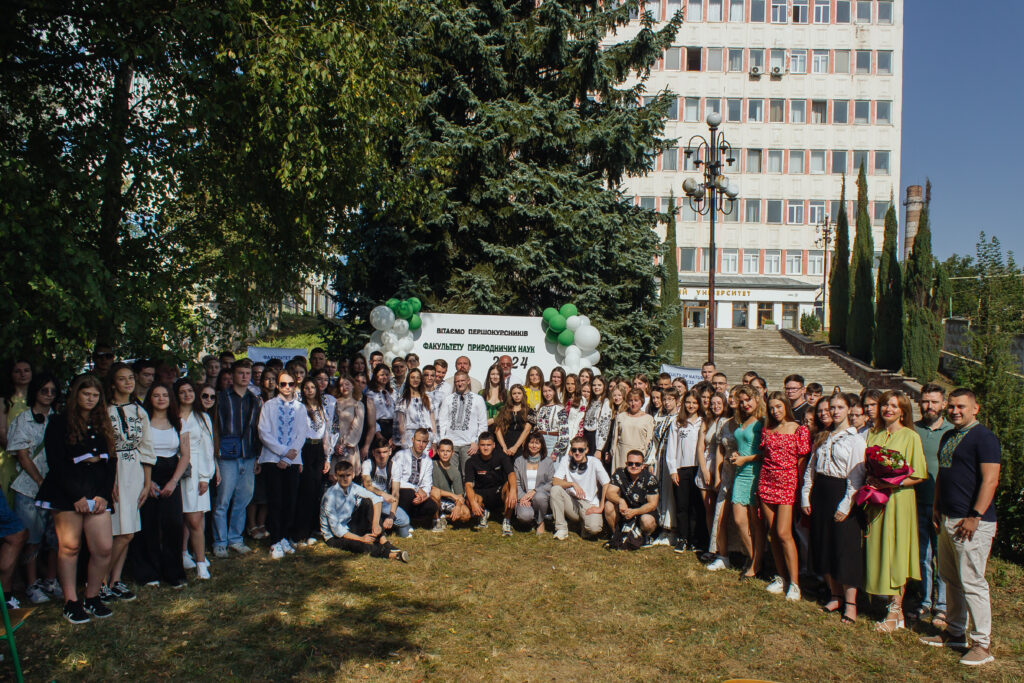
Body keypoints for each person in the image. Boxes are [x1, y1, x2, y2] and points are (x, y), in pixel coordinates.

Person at [920, 388, 1001, 666]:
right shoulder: (949, 436)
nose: (955, 411)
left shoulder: (984, 438)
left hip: (972, 522)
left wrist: (975, 515)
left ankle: (981, 644)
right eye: (952, 406)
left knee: (972, 582)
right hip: (948, 517)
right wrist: (937, 506)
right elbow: (943, 474)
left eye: (961, 407)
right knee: (951, 578)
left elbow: (990, 480)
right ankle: (955, 632)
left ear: (975, 408)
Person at [35, 375, 116, 622]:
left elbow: (111, 461)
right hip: (66, 491)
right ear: (76, 395)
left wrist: (103, 494)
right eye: (86, 394)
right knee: (70, 547)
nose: (90, 399)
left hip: (97, 490)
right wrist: (76, 496)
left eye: (95, 395)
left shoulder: (103, 423)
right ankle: (71, 602)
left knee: (103, 547)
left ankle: (92, 597)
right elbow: (56, 463)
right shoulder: (59, 422)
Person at [801, 392, 866, 625]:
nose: (835, 412)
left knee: (844, 547)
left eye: (840, 407)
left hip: (841, 492)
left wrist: (846, 504)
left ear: (849, 409)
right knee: (824, 543)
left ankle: (851, 603)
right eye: (832, 408)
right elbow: (811, 468)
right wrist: (805, 496)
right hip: (821, 491)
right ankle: (835, 595)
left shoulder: (855, 440)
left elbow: (856, 475)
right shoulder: (824, 436)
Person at [864, 390, 926, 633]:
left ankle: (894, 609)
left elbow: (918, 474)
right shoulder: (874, 434)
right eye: (884, 405)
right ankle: (892, 606)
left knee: (896, 552)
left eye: (893, 405)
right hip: (876, 500)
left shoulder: (910, 436)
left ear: (903, 411)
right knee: (878, 547)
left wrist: (890, 483)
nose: (888, 409)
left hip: (899, 501)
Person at [7, 373, 60, 604]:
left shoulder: (58, 419)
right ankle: (31, 584)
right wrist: (39, 481)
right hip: (29, 487)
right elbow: (22, 455)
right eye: (44, 390)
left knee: (57, 538)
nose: (48, 395)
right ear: (35, 392)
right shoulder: (23, 419)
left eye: (52, 391)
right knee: (32, 538)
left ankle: (51, 580)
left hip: (55, 487)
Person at [103, 364, 155, 600]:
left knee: (129, 529)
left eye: (131, 378)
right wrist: (109, 480)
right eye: (122, 379)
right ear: (113, 383)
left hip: (134, 469)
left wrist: (147, 482)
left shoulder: (139, 411)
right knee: (119, 530)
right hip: (114, 471)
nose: (128, 383)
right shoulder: (105, 411)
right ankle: (100, 580)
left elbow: (147, 447)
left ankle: (116, 580)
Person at [132, 384, 190, 589]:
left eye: (165, 395)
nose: (161, 398)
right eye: (156, 395)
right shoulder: (142, 421)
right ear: (150, 398)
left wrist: (173, 481)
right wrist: (148, 482)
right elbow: (138, 452)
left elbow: (185, 455)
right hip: (147, 473)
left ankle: (173, 572)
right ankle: (149, 573)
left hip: (171, 474)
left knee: (173, 524)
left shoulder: (179, 422)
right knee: (148, 525)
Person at [759, 391, 811, 601]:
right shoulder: (767, 429)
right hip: (767, 481)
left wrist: (800, 488)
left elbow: (801, 460)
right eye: (772, 408)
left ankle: (795, 583)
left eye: (779, 406)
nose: (775, 411)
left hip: (788, 483)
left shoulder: (799, 429)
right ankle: (781, 577)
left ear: (786, 407)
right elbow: (765, 456)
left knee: (784, 533)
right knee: (773, 532)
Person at [911, 383, 953, 627]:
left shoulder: (951, 431)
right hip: (917, 501)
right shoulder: (913, 429)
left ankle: (943, 604)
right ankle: (926, 600)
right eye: (925, 401)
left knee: (942, 556)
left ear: (943, 404)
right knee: (923, 555)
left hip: (942, 504)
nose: (929, 406)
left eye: (934, 402)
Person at [212, 361, 261, 558]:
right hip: (226, 456)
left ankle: (235, 539)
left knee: (243, 499)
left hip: (248, 455)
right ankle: (220, 541)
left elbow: (256, 430)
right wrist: (215, 454)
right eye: (241, 373)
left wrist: (257, 456)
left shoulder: (253, 399)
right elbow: (215, 427)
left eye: (247, 373)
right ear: (232, 376)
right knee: (223, 500)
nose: (245, 376)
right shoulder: (221, 398)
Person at [320, 460, 409, 562]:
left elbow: (376, 499)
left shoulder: (353, 487)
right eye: (341, 476)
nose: (345, 479)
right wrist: (361, 538)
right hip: (333, 536)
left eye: (348, 475)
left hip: (348, 525)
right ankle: (392, 555)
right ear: (336, 476)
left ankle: (383, 540)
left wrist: (375, 524)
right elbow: (336, 529)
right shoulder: (330, 496)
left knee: (368, 502)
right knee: (356, 544)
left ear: (353, 475)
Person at [258, 371, 306, 560]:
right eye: (283, 384)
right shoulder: (269, 405)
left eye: (290, 384)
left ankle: (284, 536)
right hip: (272, 459)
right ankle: (275, 540)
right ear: (278, 386)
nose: (287, 387)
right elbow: (263, 433)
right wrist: (282, 452)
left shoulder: (300, 408)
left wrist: (289, 458)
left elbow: (301, 434)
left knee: (290, 500)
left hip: (292, 460)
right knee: (275, 500)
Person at [176, 379, 217, 580]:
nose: (187, 395)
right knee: (178, 517)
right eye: (182, 392)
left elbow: (207, 449)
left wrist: (205, 477)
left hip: (196, 471)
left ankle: (201, 562)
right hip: (174, 469)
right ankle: (183, 553)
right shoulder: (172, 416)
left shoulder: (202, 417)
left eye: (190, 391)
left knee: (195, 518)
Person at [730, 385, 766, 580]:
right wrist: (737, 454)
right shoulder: (743, 420)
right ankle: (753, 557)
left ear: (757, 399)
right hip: (740, 473)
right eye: (742, 401)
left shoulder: (763, 421)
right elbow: (743, 444)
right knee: (739, 520)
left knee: (755, 523)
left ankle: (756, 563)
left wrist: (746, 459)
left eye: (748, 400)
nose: (745, 404)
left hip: (755, 473)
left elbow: (766, 453)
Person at [291, 378, 331, 546]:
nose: (310, 390)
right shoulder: (300, 408)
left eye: (312, 387)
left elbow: (326, 433)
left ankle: (312, 530)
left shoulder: (322, 408)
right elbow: (297, 433)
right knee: (305, 492)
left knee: (316, 491)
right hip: (305, 449)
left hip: (318, 450)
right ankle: (299, 533)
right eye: (306, 388)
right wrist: (298, 458)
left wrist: (327, 457)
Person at [666, 390, 704, 553]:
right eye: (688, 402)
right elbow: (671, 447)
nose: (691, 405)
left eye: (694, 403)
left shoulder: (703, 422)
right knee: (682, 505)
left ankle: (695, 539)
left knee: (696, 505)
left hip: (698, 468)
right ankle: (682, 538)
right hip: (681, 469)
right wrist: (673, 470)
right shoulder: (678, 422)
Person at [551, 437, 609, 540]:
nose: (577, 453)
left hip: (589, 504)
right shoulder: (566, 460)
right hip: (571, 502)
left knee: (594, 529)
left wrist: (601, 506)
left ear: (586, 450)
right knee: (555, 490)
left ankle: (583, 526)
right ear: (571, 451)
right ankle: (561, 528)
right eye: (574, 450)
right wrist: (572, 484)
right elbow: (555, 481)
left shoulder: (594, 462)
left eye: (581, 450)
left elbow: (606, 483)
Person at [463, 431, 516, 536]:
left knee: (511, 486)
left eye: (488, 445)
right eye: (483, 445)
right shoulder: (471, 461)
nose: (486, 448)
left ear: (494, 445)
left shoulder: (501, 456)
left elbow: (511, 474)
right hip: (481, 494)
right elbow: (468, 485)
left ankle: (507, 520)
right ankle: (482, 515)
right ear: (478, 446)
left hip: (498, 493)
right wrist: (473, 503)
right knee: (470, 498)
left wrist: (513, 491)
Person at [604, 449, 659, 550]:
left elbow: (652, 504)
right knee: (608, 505)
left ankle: (646, 536)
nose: (634, 466)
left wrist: (635, 512)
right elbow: (609, 493)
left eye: (637, 464)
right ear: (626, 464)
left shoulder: (650, 479)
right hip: (624, 510)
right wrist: (621, 501)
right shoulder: (620, 473)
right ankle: (615, 534)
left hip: (643, 512)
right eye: (630, 463)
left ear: (643, 466)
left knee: (647, 520)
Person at [696, 390, 727, 560]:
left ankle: (723, 546)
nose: (715, 406)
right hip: (707, 465)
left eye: (718, 403)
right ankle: (711, 545)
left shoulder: (728, 421)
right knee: (709, 508)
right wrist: (704, 470)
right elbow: (700, 447)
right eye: (713, 403)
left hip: (722, 467)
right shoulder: (706, 421)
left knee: (720, 510)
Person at [438, 371, 488, 476]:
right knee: (450, 474)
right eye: (457, 381)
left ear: (468, 381)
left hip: (469, 445)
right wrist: (443, 441)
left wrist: (477, 442)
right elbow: (442, 422)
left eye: (462, 380)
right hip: (451, 444)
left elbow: (483, 424)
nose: (460, 383)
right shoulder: (448, 399)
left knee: (468, 475)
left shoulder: (478, 399)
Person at [361, 435, 411, 538]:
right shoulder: (368, 464)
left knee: (405, 521)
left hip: (384, 503)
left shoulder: (394, 466)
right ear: (373, 453)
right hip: (369, 501)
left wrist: (391, 517)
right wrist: (383, 494)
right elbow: (368, 485)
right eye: (378, 452)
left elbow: (395, 493)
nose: (382, 456)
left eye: (384, 452)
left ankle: (385, 522)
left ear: (390, 452)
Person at [0, 359, 32, 504]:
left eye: (26, 370)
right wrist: (20, 455)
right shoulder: (4, 401)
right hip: (10, 457)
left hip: (35, 458)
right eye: (17, 371)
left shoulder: (38, 400)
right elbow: (2, 432)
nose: (22, 374)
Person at [392, 428, 438, 526]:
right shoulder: (401, 455)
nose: (420, 444)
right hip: (401, 492)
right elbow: (396, 480)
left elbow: (427, 484)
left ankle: (412, 521)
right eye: (418, 441)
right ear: (412, 440)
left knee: (432, 506)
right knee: (408, 493)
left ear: (427, 443)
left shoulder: (428, 461)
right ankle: (401, 522)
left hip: (417, 495)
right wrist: (415, 488)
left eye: (424, 442)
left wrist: (423, 496)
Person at [514, 434, 555, 533]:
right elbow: (516, 483)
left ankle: (540, 521)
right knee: (525, 516)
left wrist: (535, 491)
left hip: (540, 497)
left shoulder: (548, 462)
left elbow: (551, 482)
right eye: (531, 442)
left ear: (542, 445)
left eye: (537, 443)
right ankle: (532, 519)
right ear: (527, 444)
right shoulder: (519, 461)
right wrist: (522, 497)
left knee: (539, 496)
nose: (534, 446)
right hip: (525, 497)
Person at [429, 439, 471, 531]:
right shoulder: (431, 466)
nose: (445, 454)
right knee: (435, 493)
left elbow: (459, 495)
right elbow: (432, 488)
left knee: (466, 513)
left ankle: (444, 516)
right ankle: (436, 520)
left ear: (452, 453)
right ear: (438, 452)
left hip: (447, 501)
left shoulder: (455, 472)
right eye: (442, 451)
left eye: (448, 451)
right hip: (434, 498)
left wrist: (458, 507)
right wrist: (452, 495)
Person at [612, 389, 654, 473]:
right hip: (621, 455)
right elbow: (614, 439)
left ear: (641, 401)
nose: (633, 403)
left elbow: (649, 442)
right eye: (631, 400)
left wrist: (647, 461)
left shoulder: (648, 419)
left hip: (639, 456)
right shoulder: (620, 417)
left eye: (636, 400)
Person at [396, 368, 436, 449]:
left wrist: (434, 440)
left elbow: (432, 420)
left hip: (427, 437)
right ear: (408, 379)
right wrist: (403, 441)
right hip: (411, 437)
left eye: (418, 377)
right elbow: (401, 424)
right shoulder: (403, 400)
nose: (415, 380)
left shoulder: (428, 398)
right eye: (412, 377)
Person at [331, 376, 365, 470]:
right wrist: (333, 445)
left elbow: (357, 427)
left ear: (353, 386)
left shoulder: (358, 405)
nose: (344, 387)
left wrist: (344, 444)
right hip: (333, 446)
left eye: (347, 384)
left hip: (349, 447)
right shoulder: (333, 403)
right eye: (341, 385)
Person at [495, 384, 533, 459]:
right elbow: (497, 429)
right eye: (514, 393)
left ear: (523, 394)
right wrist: (504, 446)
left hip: (521, 444)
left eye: (519, 393)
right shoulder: (504, 410)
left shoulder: (529, 411)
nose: (517, 396)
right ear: (511, 395)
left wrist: (515, 447)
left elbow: (527, 430)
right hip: (505, 444)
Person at [583, 376, 612, 464]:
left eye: (599, 385)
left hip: (595, 439)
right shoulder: (592, 401)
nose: (596, 387)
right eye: (594, 385)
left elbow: (604, 427)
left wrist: (599, 449)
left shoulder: (606, 402)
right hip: (586, 437)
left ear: (604, 386)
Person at [534, 383, 567, 460]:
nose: (547, 393)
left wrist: (556, 451)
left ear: (554, 392)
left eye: (550, 390)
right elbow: (533, 427)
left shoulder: (560, 408)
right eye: (545, 391)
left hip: (553, 442)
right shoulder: (538, 407)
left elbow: (564, 431)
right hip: (539, 441)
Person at [366, 364, 396, 444]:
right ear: (376, 376)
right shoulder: (371, 393)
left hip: (392, 427)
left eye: (387, 375)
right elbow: (371, 416)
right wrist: (377, 433)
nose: (385, 377)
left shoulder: (391, 392)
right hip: (379, 427)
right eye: (382, 375)